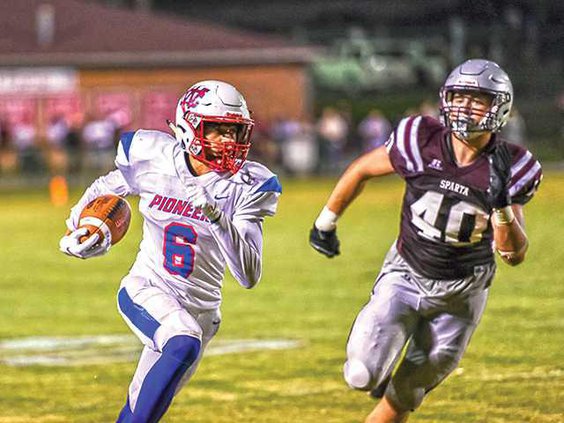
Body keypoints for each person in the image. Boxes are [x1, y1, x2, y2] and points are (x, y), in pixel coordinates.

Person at [309, 59, 542, 422]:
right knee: (361, 374)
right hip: (407, 271)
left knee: (407, 394)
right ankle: (381, 365)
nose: (466, 107)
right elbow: (362, 169)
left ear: (500, 107)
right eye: (459, 97)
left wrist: (501, 209)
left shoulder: (512, 164)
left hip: (462, 291)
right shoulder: (421, 138)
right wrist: (325, 222)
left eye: (478, 99)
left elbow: (514, 255)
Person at [59, 80, 281, 422]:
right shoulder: (152, 157)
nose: (230, 141)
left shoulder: (248, 185)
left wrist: (217, 218)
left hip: (203, 313)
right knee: (181, 339)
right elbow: (110, 188)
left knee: (139, 414)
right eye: (219, 130)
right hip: (147, 288)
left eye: (235, 132)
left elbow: (249, 276)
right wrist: (83, 226)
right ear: (190, 127)